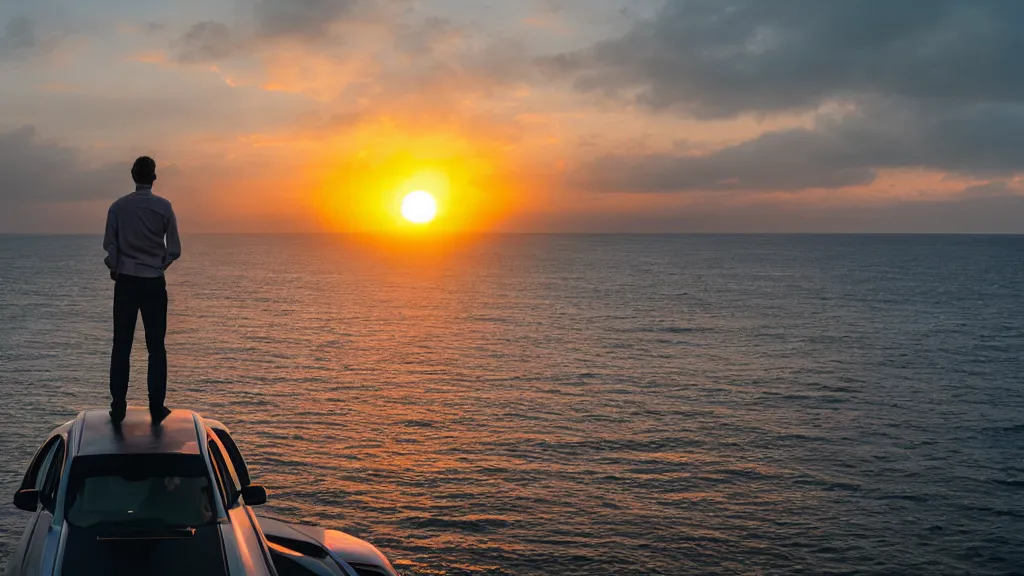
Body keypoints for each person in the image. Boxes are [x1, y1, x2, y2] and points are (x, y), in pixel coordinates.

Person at [103, 156, 181, 424]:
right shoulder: (164, 207)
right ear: (154, 177)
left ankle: (118, 406)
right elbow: (174, 249)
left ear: (133, 175)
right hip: (153, 283)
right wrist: (161, 265)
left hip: (125, 282)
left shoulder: (118, 207)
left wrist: (115, 267)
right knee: (156, 347)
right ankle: (156, 406)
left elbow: (111, 247)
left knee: (121, 345)